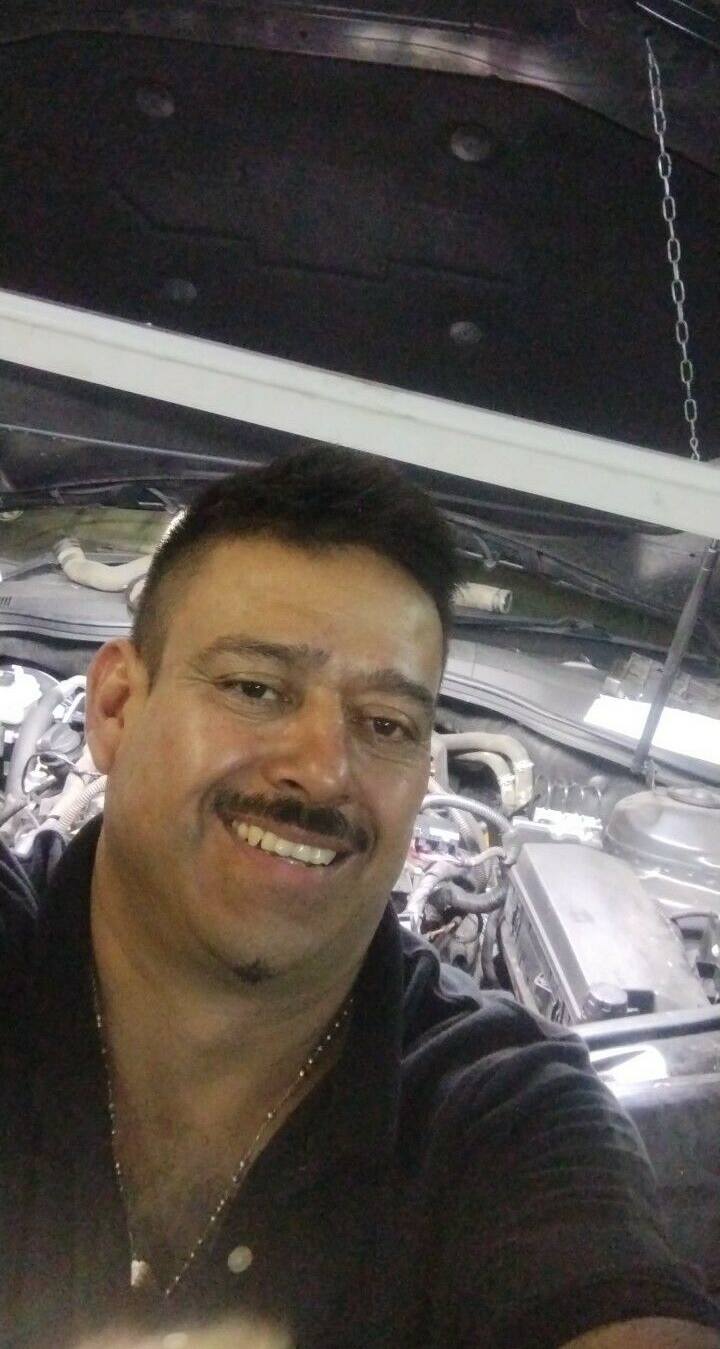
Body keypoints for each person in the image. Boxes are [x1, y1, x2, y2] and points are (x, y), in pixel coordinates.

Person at [1, 444, 718, 1349]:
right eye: (255, 688)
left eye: (386, 723)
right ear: (113, 708)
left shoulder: (501, 1117)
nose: (324, 770)